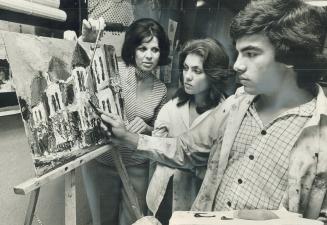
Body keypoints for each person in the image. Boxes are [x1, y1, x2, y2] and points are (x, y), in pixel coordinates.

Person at [100, 0, 327, 223]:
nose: (237, 65)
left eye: (251, 53)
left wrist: (282, 221)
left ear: (290, 56)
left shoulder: (321, 132)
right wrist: (128, 137)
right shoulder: (235, 106)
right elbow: (185, 149)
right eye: (238, 53)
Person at [81, 18, 170, 225]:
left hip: (137, 165)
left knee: (133, 222)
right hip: (103, 161)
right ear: (133, 48)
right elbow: (81, 83)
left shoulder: (160, 89)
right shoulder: (114, 70)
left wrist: (147, 128)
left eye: (155, 50)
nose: (149, 55)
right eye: (142, 48)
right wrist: (85, 41)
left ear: (161, 53)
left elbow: (159, 133)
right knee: (103, 221)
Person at [147, 38, 230, 225]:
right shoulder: (171, 108)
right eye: (185, 68)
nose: (188, 76)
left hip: (197, 200)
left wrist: (178, 158)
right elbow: (155, 153)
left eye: (196, 71)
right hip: (163, 194)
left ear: (213, 74)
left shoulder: (226, 113)